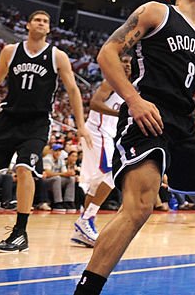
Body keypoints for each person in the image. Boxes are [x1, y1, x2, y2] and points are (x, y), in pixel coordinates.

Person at [73, 0, 195, 295]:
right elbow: (107, 54)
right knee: (139, 207)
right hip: (148, 115)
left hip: (184, 126)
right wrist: (133, 100)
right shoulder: (157, 11)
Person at [0, 10, 91, 251]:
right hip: (8, 118)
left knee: (25, 169)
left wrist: (81, 124)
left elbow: (73, 90)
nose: (42, 23)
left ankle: (20, 233)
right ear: (28, 24)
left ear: (49, 29)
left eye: (46, 21)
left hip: (37, 122)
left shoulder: (57, 56)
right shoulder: (10, 51)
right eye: (37, 20)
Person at [72, 56, 129, 248]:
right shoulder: (111, 80)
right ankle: (85, 220)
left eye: (131, 62)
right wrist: (121, 114)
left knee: (97, 183)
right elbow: (95, 103)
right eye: (125, 61)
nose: (128, 65)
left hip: (107, 134)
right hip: (97, 131)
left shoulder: (128, 87)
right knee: (112, 173)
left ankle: (83, 227)